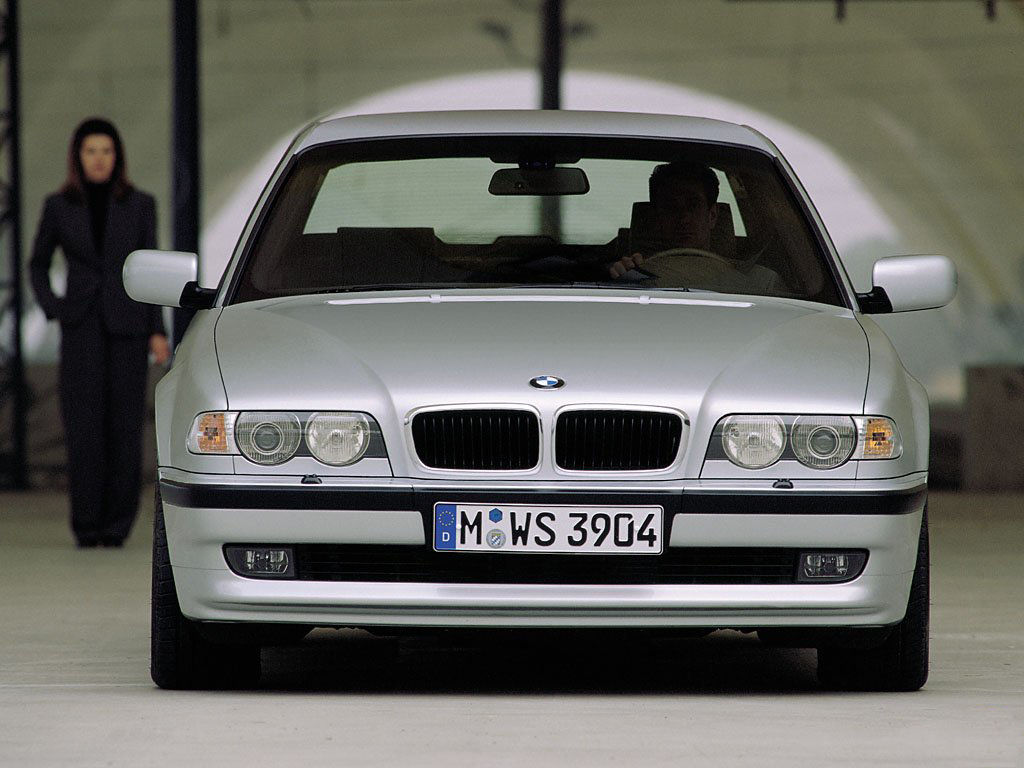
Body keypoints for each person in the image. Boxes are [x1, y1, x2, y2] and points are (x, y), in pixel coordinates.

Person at [29, 117, 170, 548]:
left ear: (117, 157)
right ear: (78, 156)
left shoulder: (140, 204)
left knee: (125, 428)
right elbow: (37, 264)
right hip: (81, 328)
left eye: (107, 151)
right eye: (91, 151)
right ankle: (87, 524)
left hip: (128, 328)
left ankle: (117, 525)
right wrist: (56, 309)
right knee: (84, 429)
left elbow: (149, 269)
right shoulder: (59, 206)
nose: (99, 159)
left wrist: (157, 330)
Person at [607, 160, 782, 293]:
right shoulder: (634, 274)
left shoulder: (759, 282)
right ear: (658, 217)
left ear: (712, 215)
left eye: (693, 205)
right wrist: (623, 279)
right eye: (671, 207)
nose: (683, 218)